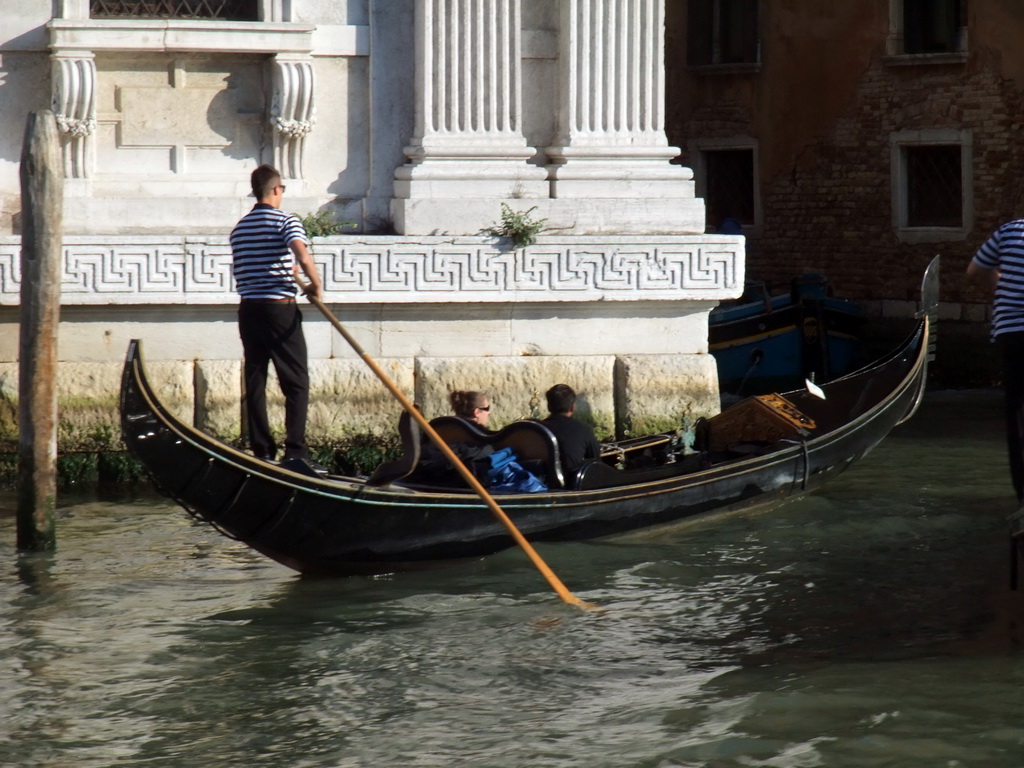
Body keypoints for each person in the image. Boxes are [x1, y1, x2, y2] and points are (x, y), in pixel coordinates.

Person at [230, 164, 323, 463]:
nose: (283, 194)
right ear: (275, 189)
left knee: (256, 378)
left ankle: (263, 450)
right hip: (279, 310)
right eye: (282, 189)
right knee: (296, 381)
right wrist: (315, 285)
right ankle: (296, 452)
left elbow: (258, 264)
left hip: (249, 310)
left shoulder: (240, 228)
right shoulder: (286, 221)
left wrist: (288, 270)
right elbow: (302, 253)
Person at [967, 219, 1024, 507]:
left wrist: (1000, 286)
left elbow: (975, 270)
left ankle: (1023, 497)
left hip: (1011, 333)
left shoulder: (1009, 231)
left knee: (1017, 415)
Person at [541, 383, 601, 480]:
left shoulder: (539, 428)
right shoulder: (584, 429)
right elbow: (595, 463)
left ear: (548, 407)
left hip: (541, 480)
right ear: (573, 407)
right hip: (570, 483)